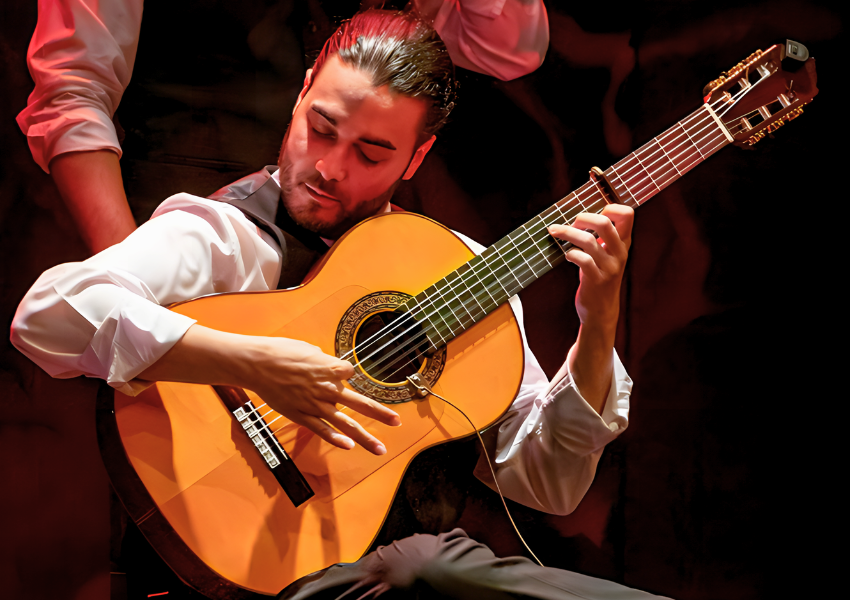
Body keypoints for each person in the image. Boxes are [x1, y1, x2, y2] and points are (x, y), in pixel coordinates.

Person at [11, 8, 662, 600]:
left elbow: (548, 482)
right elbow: (47, 314)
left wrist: (597, 323)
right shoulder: (223, 235)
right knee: (425, 568)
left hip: (390, 573)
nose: (328, 167)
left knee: (435, 567)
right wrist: (253, 362)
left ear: (417, 157)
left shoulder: (452, 266)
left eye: (370, 153)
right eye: (320, 129)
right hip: (259, 579)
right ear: (300, 96)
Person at [16, 0, 550, 253]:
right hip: (167, 218)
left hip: (348, 254)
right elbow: (72, 92)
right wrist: (128, 279)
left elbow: (511, 46)